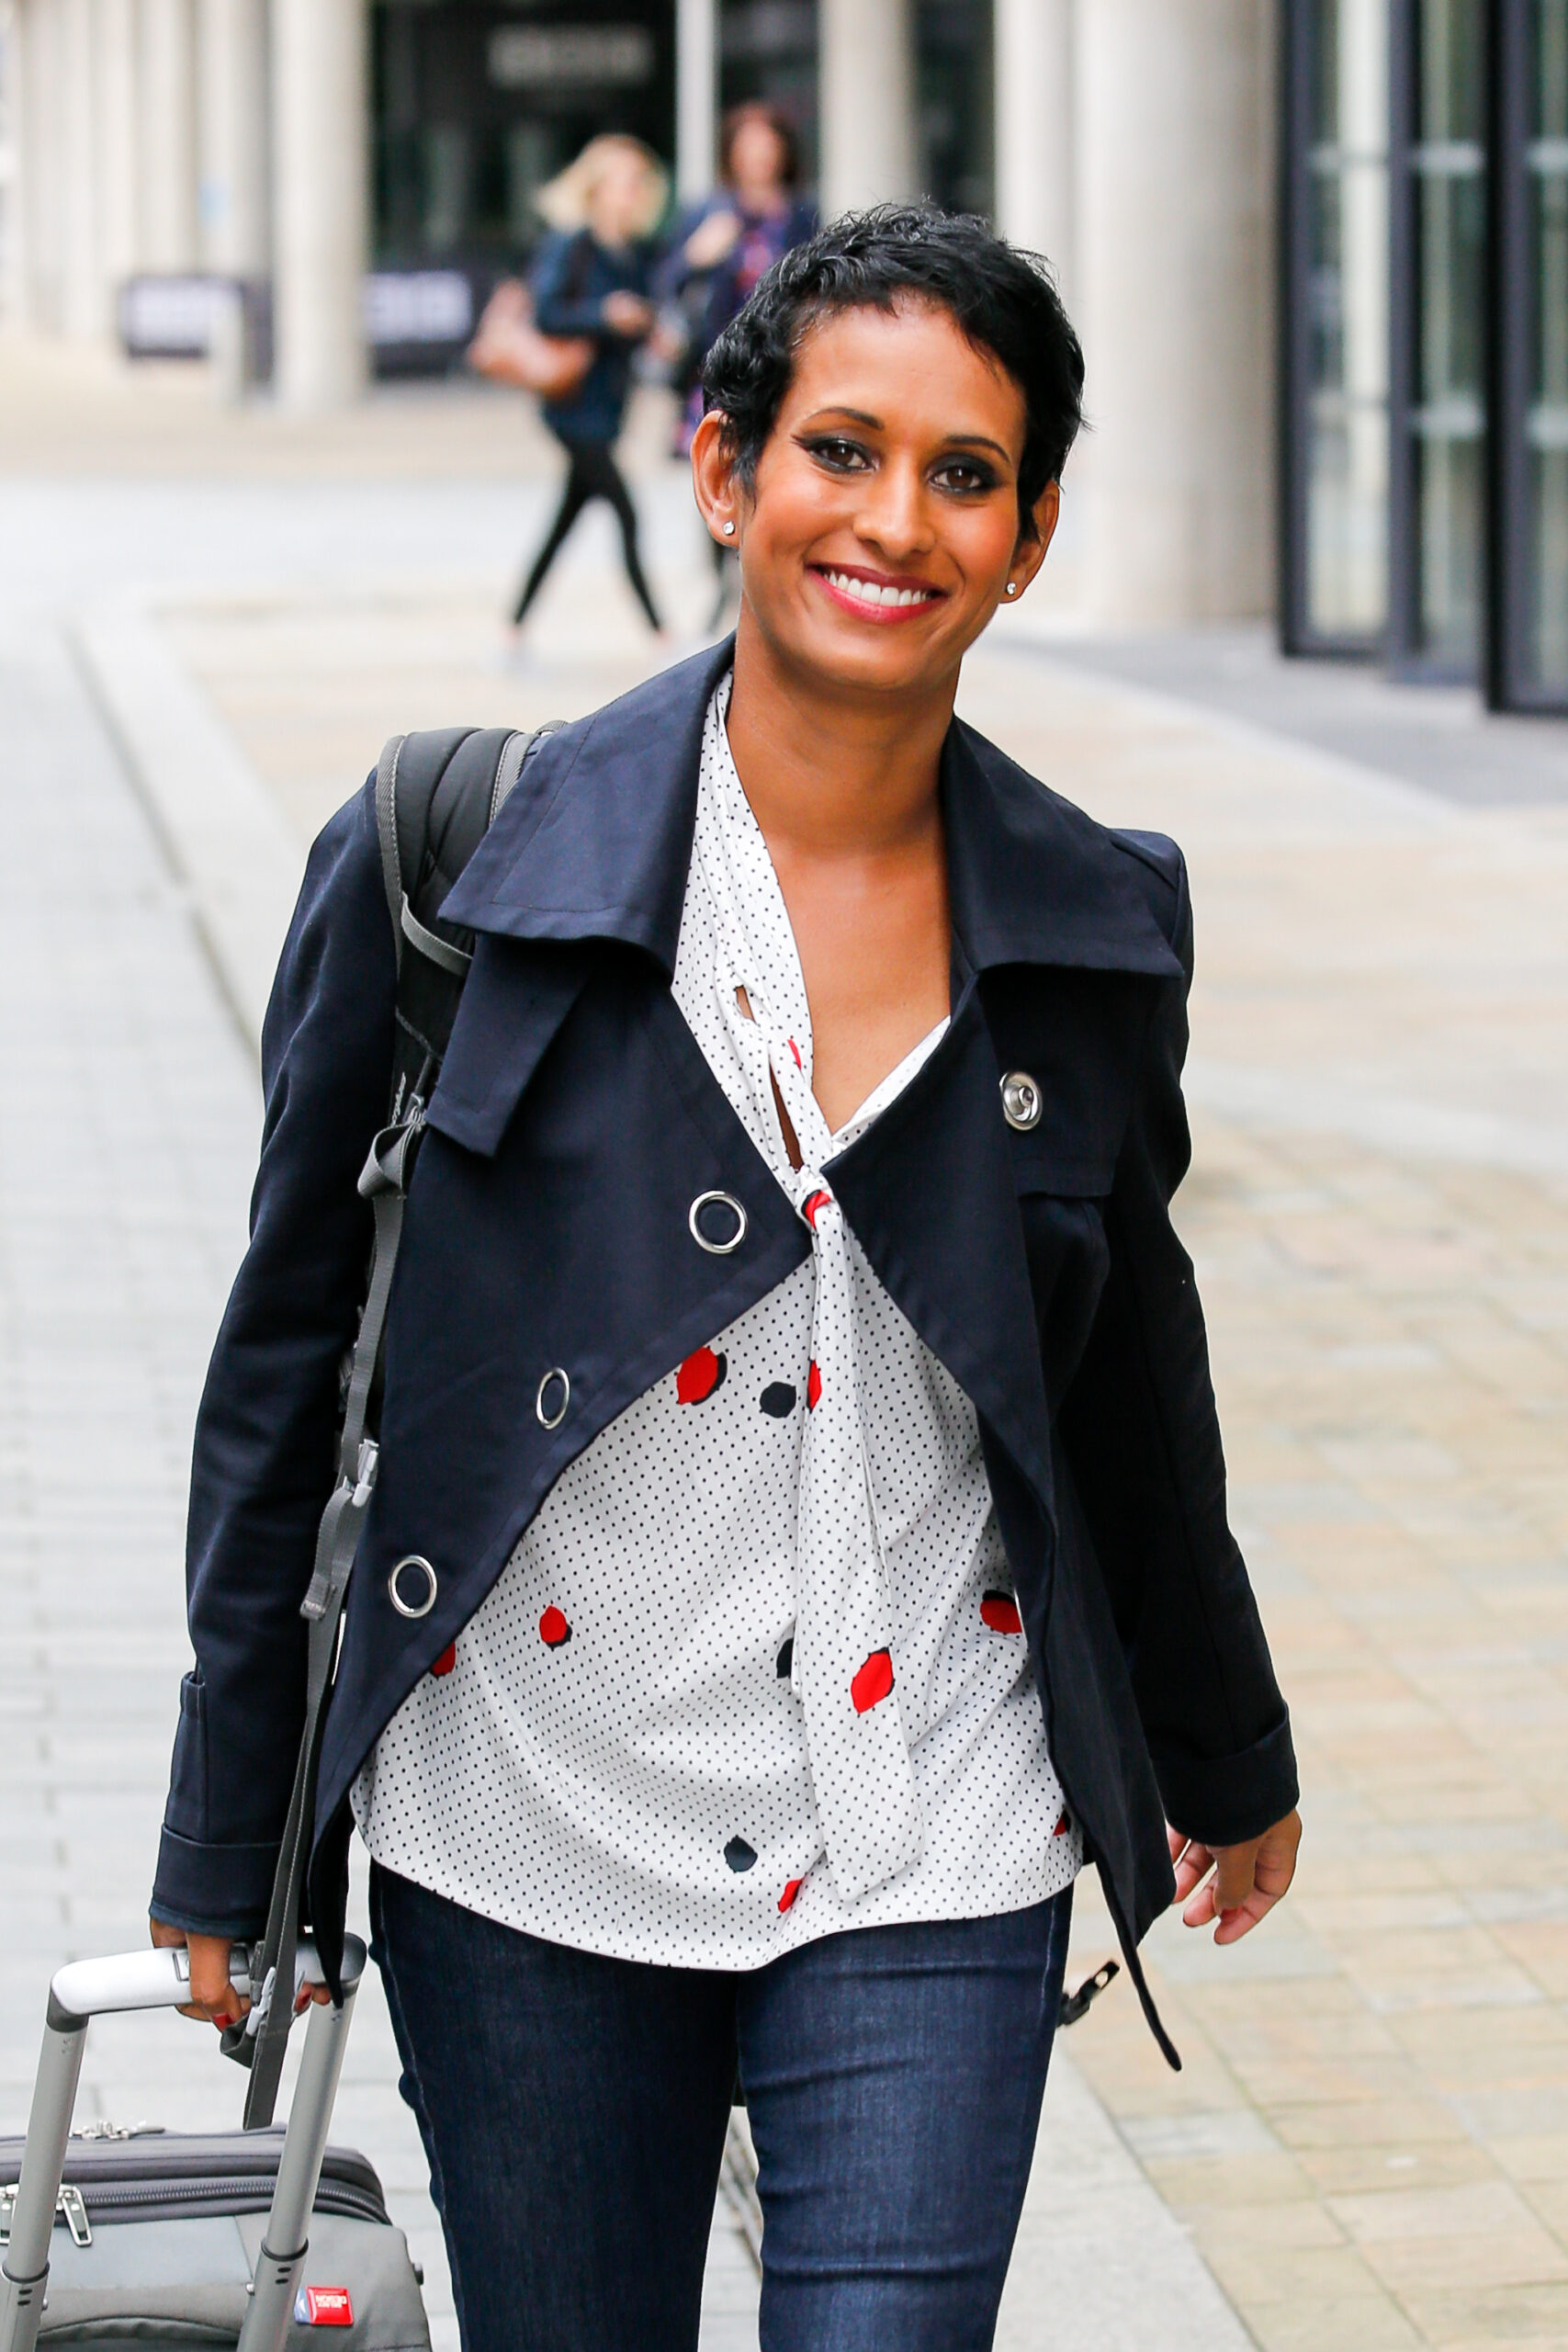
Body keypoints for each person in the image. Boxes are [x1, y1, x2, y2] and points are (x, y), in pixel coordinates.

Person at [148, 206, 1302, 2352]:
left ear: (1029, 534)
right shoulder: (453, 866)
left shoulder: (1089, 924)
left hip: (927, 1820)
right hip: (531, 1813)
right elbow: (285, 1368)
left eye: (962, 474)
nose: (892, 519)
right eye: (837, 449)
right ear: (718, 469)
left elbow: (1129, 1360)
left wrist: (1219, 1738)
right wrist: (234, 1838)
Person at [659, 103, 817, 627]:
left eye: (767, 149)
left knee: (777, 471)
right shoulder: (711, 212)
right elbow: (669, 281)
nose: (758, 160)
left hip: (788, 367)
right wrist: (701, 255)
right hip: (722, 367)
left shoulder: (800, 215)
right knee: (720, 470)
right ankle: (724, 583)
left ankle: (760, 580)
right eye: (747, 149)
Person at [510, 133, 667, 636]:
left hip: (609, 407)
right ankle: (661, 634)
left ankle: (511, 631)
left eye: (639, 183)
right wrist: (604, 315)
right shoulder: (573, 243)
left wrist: (648, 330)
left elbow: (635, 323)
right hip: (573, 410)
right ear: (596, 188)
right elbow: (547, 312)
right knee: (626, 514)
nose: (634, 192)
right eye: (624, 182)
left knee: (562, 526)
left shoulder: (629, 252)